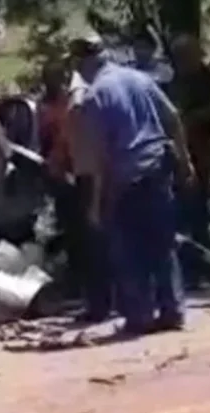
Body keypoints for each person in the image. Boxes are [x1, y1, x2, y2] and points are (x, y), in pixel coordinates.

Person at [70, 33, 195, 335]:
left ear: (83, 63)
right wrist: (185, 159)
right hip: (156, 169)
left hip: (124, 179)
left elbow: (99, 156)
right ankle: (172, 311)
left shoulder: (95, 96)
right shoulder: (140, 79)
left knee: (128, 249)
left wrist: (95, 204)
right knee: (163, 243)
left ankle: (139, 316)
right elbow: (173, 116)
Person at [171, 34, 210, 289]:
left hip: (201, 152)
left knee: (199, 214)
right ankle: (183, 273)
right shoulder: (174, 82)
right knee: (179, 214)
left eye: (186, 56)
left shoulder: (209, 80)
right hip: (178, 155)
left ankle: (204, 271)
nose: (182, 62)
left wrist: (186, 121)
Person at [66, 68, 116, 322]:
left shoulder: (85, 93)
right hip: (93, 174)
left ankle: (101, 305)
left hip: (93, 176)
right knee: (100, 243)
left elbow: (97, 165)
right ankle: (107, 302)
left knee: (97, 243)